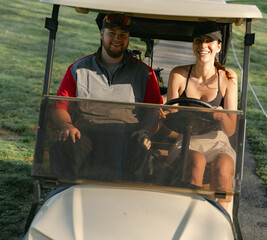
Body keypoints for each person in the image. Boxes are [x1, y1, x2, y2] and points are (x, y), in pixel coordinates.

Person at [51, 14, 163, 178]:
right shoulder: (79, 69)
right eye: (112, 33)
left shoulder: (145, 73)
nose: (117, 39)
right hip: (86, 131)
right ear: (102, 33)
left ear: (128, 38)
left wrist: (145, 131)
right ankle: (68, 195)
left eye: (123, 35)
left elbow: (155, 112)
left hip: (126, 133)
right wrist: (67, 125)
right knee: (64, 146)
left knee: (138, 150)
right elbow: (60, 106)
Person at [167, 21, 238, 209]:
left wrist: (222, 116)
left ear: (218, 46)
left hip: (219, 140)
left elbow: (231, 130)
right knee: (197, 161)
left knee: (223, 167)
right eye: (198, 40)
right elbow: (171, 117)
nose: (203, 46)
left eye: (209, 41)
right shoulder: (179, 74)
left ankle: (221, 213)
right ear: (193, 44)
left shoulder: (228, 77)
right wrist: (163, 111)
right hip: (187, 139)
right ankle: (189, 212)